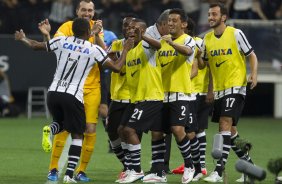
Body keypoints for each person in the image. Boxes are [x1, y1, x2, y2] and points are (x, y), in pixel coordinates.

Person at [14, 17, 132, 183]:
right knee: (78, 134)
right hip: (73, 95)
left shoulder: (61, 41)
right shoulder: (93, 49)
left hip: (53, 93)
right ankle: (70, 175)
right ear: (87, 32)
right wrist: (126, 49)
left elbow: (35, 46)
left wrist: (23, 38)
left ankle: (50, 128)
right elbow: (117, 67)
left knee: (61, 123)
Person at [38, 0, 106, 182]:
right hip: (71, 87)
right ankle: (53, 169)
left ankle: (81, 170)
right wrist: (46, 35)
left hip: (92, 87)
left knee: (90, 129)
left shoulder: (99, 28)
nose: (87, 13)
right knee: (65, 129)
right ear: (77, 11)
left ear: (94, 12)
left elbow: (103, 54)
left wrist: (97, 34)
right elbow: (55, 46)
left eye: (90, 10)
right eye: (83, 9)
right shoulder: (68, 27)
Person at [198, 3, 258, 183]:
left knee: (224, 124)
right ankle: (250, 169)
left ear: (223, 17)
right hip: (219, 89)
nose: (210, 17)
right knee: (231, 132)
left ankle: (218, 170)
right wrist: (198, 57)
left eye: (214, 14)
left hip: (236, 86)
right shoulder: (207, 39)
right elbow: (205, 66)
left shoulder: (235, 33)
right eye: (209, 14)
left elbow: (252, 55)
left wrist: (253, 74)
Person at [117, 18, 166, 183]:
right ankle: (134, 168)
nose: (131, 30)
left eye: (135, 28)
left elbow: (158, 46)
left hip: (151, 97)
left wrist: (143, 36)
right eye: (129, 28)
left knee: (130, 130)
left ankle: (137, 170)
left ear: (143, 31)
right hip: (136, 99)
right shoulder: (129, 49)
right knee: (122, 130)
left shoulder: (145, 46)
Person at [157, 8, 197, 184]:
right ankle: (158, 171)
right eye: (169, 21)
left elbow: (188, 52)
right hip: (161, 94)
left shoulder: (187, 39)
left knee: (178, 129)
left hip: (180, 93)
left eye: (174, 20)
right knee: (158, 133)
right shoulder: (161, 42)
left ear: (184, 24)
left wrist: (172, 43)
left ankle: (189, 165)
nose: (170, 23)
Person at [172, 18, 213, 182]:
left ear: (186, 29)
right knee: (192, 129)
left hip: (196, 91)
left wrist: (210, 90)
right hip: (191, 91)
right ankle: (195, 164)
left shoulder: (195, 43)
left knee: (196, 129)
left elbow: (205, 67)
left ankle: (200, 165)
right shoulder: (189, 42)